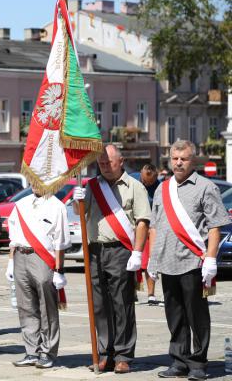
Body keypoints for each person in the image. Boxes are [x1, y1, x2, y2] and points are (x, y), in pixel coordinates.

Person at [148, 140, 229, 380]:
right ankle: (179, 360)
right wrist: (152, 260)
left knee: (197, 315)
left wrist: (211, 259)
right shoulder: (163, 189)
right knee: (174, 315)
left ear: (192, 160)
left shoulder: (206, 187)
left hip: (193, 262)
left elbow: (215, 227)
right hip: (167, 262)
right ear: (170, 160)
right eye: (175, 158)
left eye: (183, 158)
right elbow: (155, 226)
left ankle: (198, 363)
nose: (179, 162)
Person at [73, 144, 151, 373]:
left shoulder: (134, 187)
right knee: (99, 305)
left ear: (121, 161)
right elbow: (80, 212)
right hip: (95, 250)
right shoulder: (92, 186)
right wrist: (77, 200)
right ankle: (104, 352)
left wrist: (137, 252)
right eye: (101, 164)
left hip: (120, 250)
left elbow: (142, 222)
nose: (105, 167)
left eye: (109, 162)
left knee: (121, 303)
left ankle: (123, 354)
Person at [5, 186, 70, 369]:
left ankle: (47, 351)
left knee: (46, 308)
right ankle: (31, 351)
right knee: (25, 306)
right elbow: (14, 235)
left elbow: (60, 241)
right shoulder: (21, 204)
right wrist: (11, 261)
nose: (35, 183)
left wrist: (59, 269)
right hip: (20, 255)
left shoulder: (57, 206)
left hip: (43, 258)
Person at [139, 163, 161, 306]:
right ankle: (131, 292)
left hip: (153, 230)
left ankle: (151, 294)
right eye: (143, 179)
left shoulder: (160, 188)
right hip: (134, 228)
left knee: (149, 262)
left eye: (148, 181)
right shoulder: (134, 181)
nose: (145, 183)